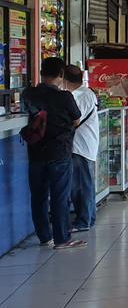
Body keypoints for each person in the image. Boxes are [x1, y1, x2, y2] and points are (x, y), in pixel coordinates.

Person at [20, 58, 87, 249]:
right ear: (61, 75)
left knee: (39, 196)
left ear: (41, 73)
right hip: (59, 152)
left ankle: (44, 236)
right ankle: (62, 239)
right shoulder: (64, 97)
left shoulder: (29, 94)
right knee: (59, 196)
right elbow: (76, 120)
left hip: (35, 153)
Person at [64, 65, 100, 233]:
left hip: (81, 146)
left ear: (64, 80)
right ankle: (87, 217)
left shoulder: (82, 96)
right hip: (81, 145)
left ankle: (84, 220)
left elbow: (75, 120)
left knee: (80, 185)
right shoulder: (83, 94)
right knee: (83, 183)